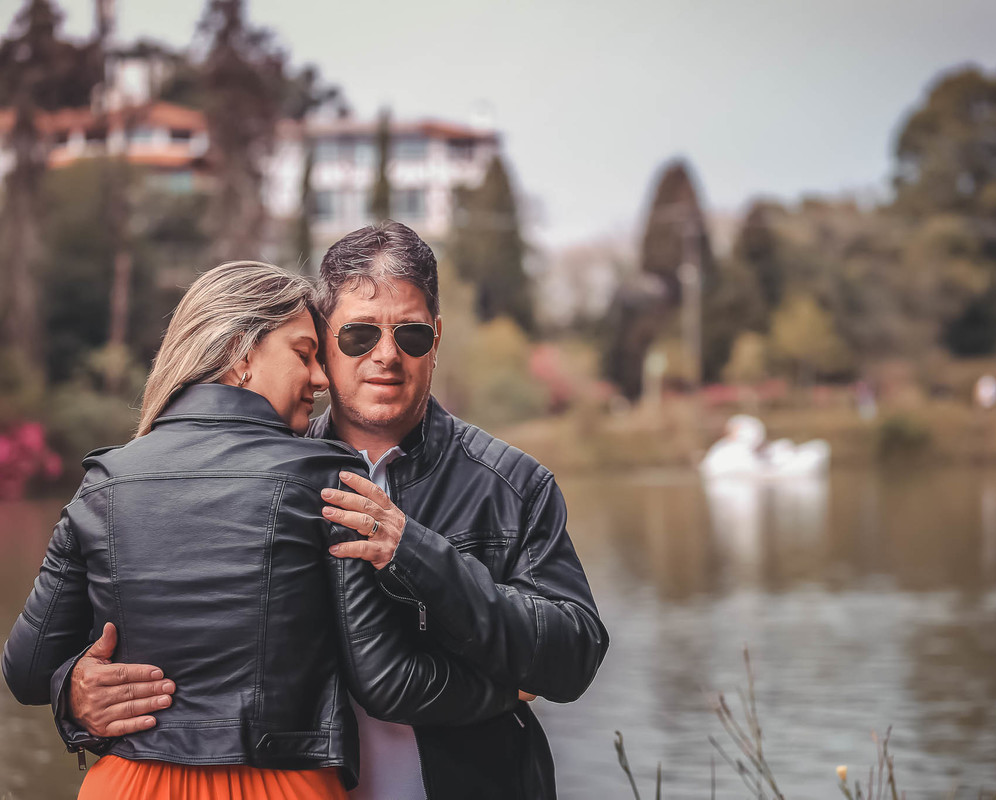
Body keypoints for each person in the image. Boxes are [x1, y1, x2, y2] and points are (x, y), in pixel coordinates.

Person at [59, 223, 609, 799]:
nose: (387, 356)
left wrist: (415, 551)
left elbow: (572, 657)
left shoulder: (513, 485)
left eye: (412, 335)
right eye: (359, 335)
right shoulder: (260, 486)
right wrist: (72, 694)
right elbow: (163, 647)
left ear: (438, 336)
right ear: (322, 340)